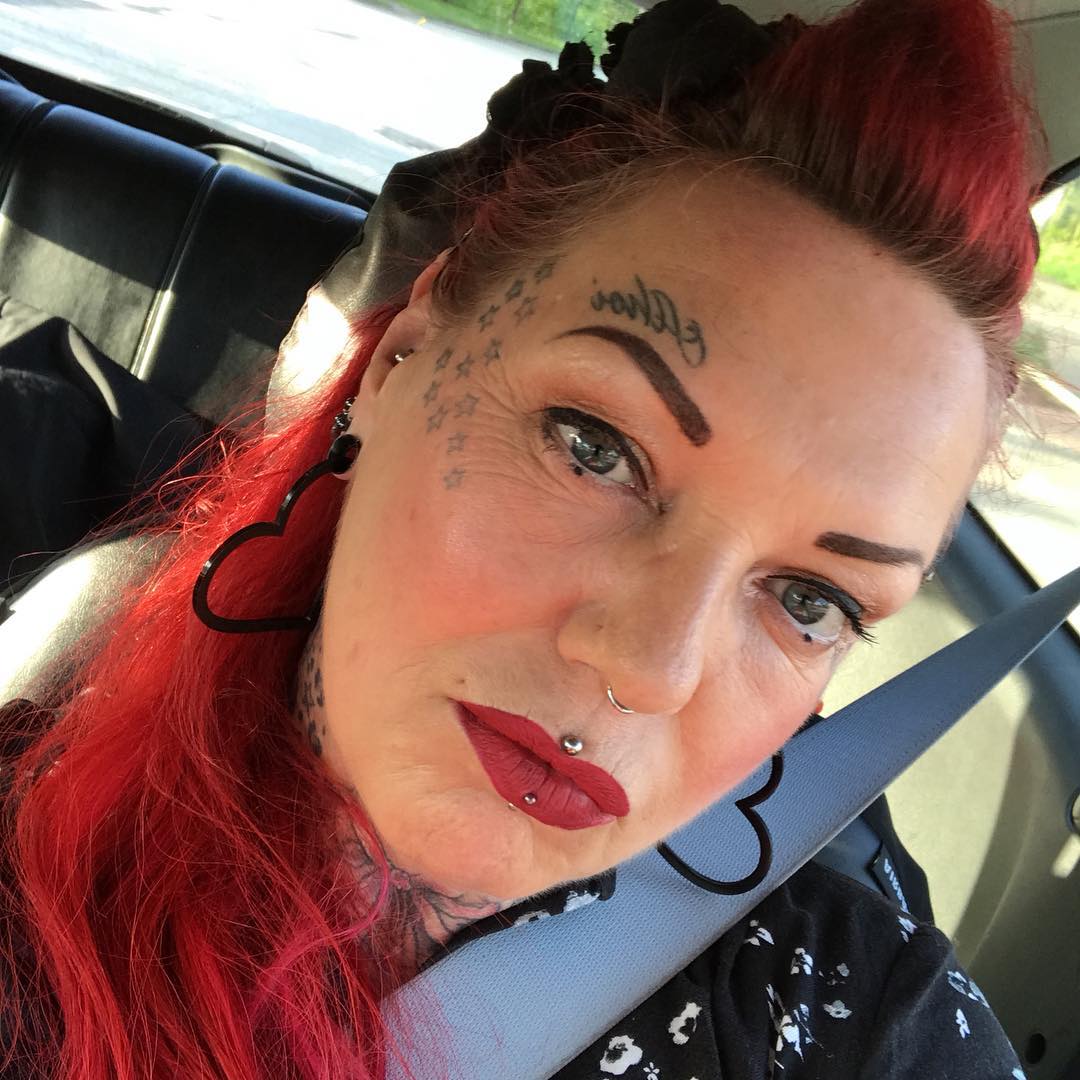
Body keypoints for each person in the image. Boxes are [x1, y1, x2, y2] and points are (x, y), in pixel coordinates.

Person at [0, 0, 1044, 1075]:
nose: (648, 670)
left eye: (810, 600)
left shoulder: (860, 1017)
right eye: (595, 447)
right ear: (400, 359)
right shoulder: (24, 828)